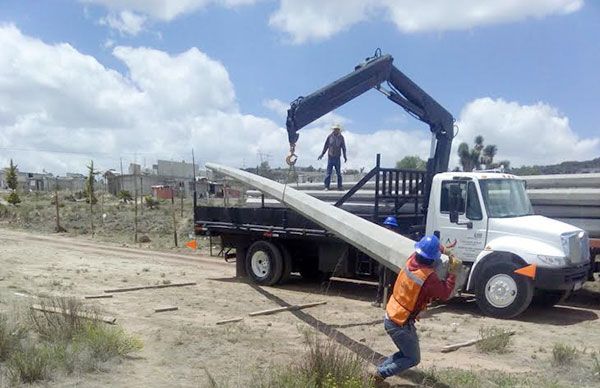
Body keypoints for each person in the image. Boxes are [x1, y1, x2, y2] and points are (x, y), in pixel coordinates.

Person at [373, 235, 460, 381]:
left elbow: (428, 248)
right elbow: (445, 293)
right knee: (413, 358)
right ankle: (380, 374)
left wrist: (446, 251)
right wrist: (453, 273)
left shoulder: (412, 259)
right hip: (401, 322)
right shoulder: (428, 277)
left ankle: (379, 372)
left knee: (405, 352)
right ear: (433, 259)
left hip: (391, 315)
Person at [372, 216, 398, 307]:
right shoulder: (396, 237)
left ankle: (380, 301)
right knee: (387, 282)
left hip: (386, 261)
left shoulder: (388, 236)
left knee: (385, 282)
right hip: (389, 261)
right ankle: (384, 301)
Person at [318, 124, 347, 190]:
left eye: (337, 129)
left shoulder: (341, 138)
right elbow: (326, 146)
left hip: (337, 157)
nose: (336, 130)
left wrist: (345, 156)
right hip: (330, 157)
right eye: (335, 129)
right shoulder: (329, 137)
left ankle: (340, 186)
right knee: (328, 173)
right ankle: (326, 186)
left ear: (339, 130)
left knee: (338, 173)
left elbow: (343, 148)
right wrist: (322, 154)